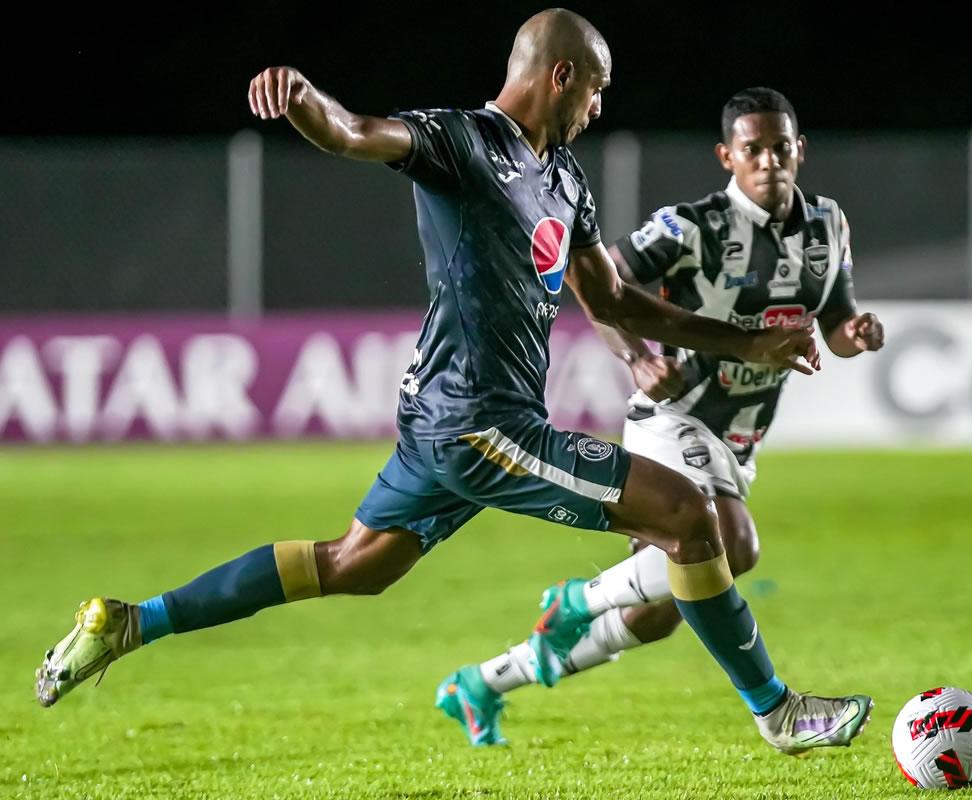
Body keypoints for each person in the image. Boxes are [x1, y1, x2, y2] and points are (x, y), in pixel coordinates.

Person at [34, 10, 868, 757]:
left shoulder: (565, 179)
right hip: (478, 423)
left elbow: (612, 298)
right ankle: (777, 712)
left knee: (356, 564)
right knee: (688, 517)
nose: (599, 110)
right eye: (598, 90)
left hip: (451, 420)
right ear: (563, 75)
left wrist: (745, 343)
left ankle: (131, 622)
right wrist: (301, 101)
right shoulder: (463, 141)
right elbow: (355, 132)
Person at [445, 86, 885, 746]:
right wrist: (635, 357)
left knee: (657, 613)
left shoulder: (827, 225)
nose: (769, 160)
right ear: (726, 156)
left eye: (780, 147)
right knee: (733, 547)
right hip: (674, 416)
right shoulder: (690, 226)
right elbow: (595, 284)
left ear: (800, 150)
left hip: (738, 439)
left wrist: (859, 332)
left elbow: (838, 323)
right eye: (752, 149)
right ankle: (579, 604)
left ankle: (481, 683)